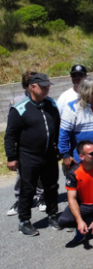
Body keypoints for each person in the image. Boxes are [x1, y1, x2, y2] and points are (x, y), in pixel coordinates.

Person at [5, 73, 61, 236]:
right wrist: (11, 157)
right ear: (33, 87)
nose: (46, 90)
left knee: (51, 186)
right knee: (27, 188)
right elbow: (10, 134)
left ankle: (52, 215)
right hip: (29, 155)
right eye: (43, 87)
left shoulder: (51, 104)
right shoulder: (20, 108)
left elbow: (57, 126)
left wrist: (58, 146)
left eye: (48, 87)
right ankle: (24, 221)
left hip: (49, 154)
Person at [7, 71, 45, 216]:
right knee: (22, 175)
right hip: (23, 146)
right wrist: (12, 152)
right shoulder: (16, 101)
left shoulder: (44, 100)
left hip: (40, 144)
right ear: (26, 85)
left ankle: (42, 198)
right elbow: (11, 127)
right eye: (31, 83)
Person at [58, 78, 93, 170]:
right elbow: (64, 135)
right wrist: (65, 155)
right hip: (79, 159)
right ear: (88, 93)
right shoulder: (72, 108)